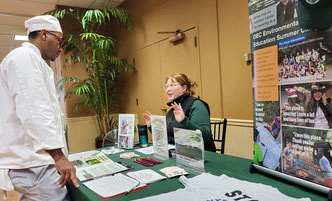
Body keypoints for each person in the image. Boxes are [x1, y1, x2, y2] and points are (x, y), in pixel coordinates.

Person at [0, 15, 79, 201]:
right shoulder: (23, 57)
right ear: (44, 34)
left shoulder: (35, 62)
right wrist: (59, 157)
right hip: (33, 163)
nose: (61, 47)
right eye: (59, 40)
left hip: (32, 161)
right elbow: (35, 111)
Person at [143, 73, 216, 152]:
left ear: (184, 88)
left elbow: (205, 135)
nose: (168, 89)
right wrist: (151, 126)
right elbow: (166, 136)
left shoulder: (196, 105)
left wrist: (184, 121)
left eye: (173, 85)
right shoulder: (172, 109)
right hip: (176, 153)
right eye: (167, 86)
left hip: (200, 156)